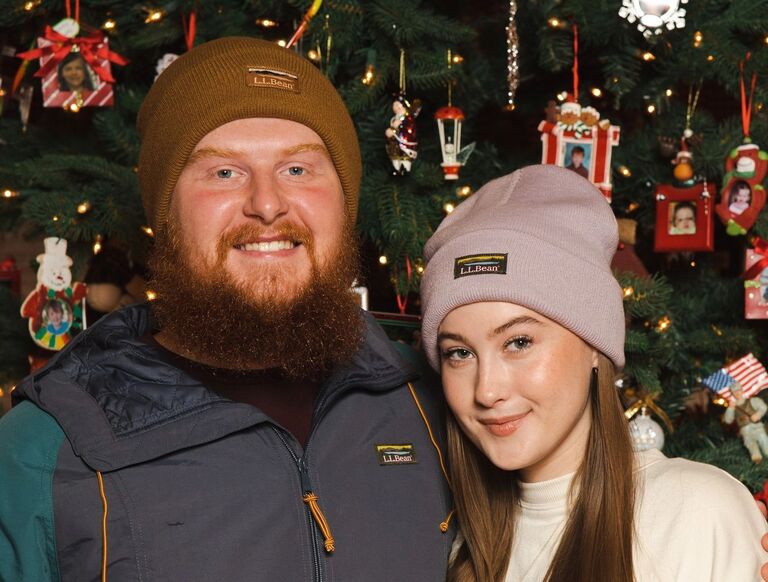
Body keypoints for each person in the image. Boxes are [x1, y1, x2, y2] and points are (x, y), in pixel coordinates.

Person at [0, 37, 452, 581]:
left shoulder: (439, 402)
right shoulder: (44, 450)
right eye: (223, 173)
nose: (266, 204)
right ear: (166, 215)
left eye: (298, 170)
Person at [419, 165, 768, 582]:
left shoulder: (696, 512)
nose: (487, 390)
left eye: (519, 342)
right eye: (459, 353)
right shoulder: (459, 547)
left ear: (594, 348)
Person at [725, 382, 768, 463]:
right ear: (732, 394)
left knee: (764, 440)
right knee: (750, 444)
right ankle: (757, 459)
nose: (737, 393)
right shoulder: (733, 407)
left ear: (742, 390)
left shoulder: (752, 401)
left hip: (757, 427)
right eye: (734, 392)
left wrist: (758, 415)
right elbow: (728, 420)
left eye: (738, 390)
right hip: (745, 430)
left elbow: (763, 407)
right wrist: (730, 408)